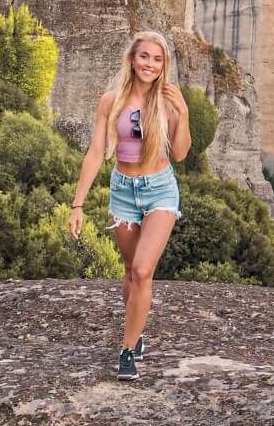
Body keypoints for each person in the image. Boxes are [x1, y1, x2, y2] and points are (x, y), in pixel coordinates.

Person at [68, 30, 191, 380]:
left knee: (142, 270)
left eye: (157, 59)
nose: (150, 64)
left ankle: (127, 351)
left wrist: (183, 112)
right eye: (144, 57)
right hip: (122, 190)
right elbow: (95, 153)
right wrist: (77, 205)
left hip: (160, 190)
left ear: (163, 65)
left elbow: (180, 153)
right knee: (128, 270)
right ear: (132, 59)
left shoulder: (168, 101)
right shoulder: (112, 100)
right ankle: (135, 331)